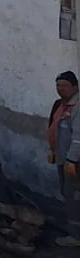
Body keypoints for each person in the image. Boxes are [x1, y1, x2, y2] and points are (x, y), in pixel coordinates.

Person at [48, 70, 80, 230]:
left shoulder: (77, 107)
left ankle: (75, 236)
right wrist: (53, 151)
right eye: (58, 86)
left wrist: (72, 160)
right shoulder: (59, 105)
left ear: (75, 87)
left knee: (74, 196)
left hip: (74, 162)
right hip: (63, 158)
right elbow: (53, 127)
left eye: (64, 86)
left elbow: (78, 137)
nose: (60, 89)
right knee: (67, 193)